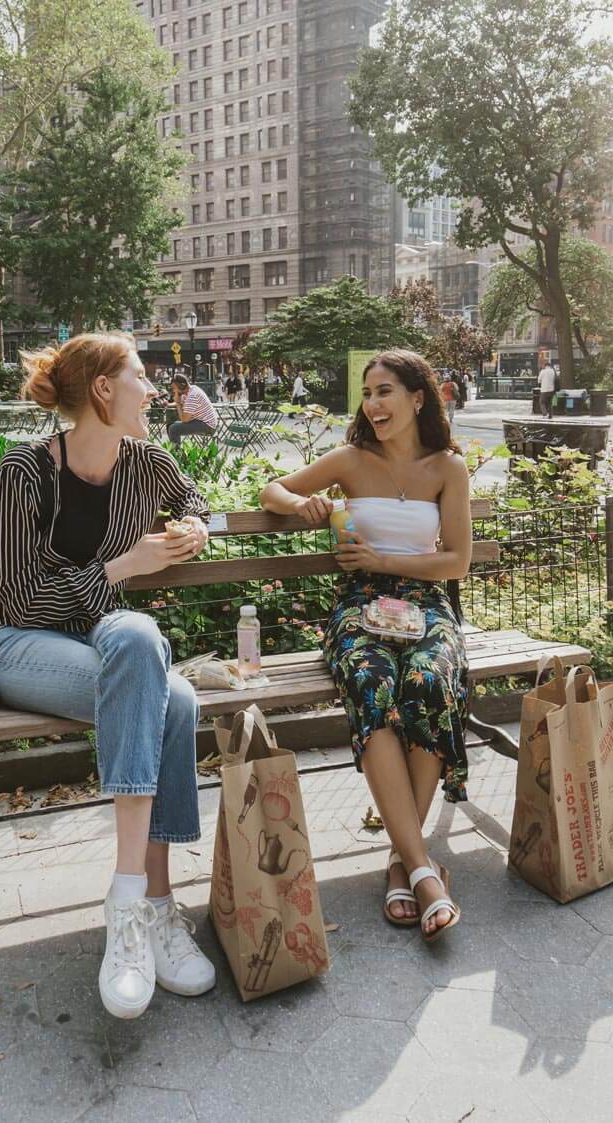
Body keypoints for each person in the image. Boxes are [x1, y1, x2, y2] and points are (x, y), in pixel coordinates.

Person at [0, 333, 216, 1019]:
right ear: (105, 390)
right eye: (141, 376)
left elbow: (195, 499)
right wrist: (119, 568)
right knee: (172, 698)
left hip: (104, 640)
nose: (154, 389)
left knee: (145, 648)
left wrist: (196, 528)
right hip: (22, 647)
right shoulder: (23, 472)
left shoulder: (148, 461)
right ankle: (147, 906)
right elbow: (19, 600)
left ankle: (139, 905)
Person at [258, 350, 470, 943]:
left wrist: (387, 558)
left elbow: (456, 559)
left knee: (430, 681)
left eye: (385, 392)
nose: (373, 405)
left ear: (418, 398)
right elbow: (270, 486)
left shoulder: (447, 468)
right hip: (360, 604)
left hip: (427, 603)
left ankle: (406, 863)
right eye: (368, 394)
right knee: (373, 683)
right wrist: (302, 503)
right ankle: (422, 870)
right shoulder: (350, 459)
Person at [165, 373, 220, 440]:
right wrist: (167, 404)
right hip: (201, 422)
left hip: (207, 426)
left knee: (174, 429)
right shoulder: (190, 390)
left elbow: (184, 420)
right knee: (169, 425)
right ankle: (172, 448)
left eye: (174, 388)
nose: (173, 390)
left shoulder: (192, 396)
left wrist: (178, 403)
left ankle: (176, 450)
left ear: (181, 386)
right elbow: (182, 402)